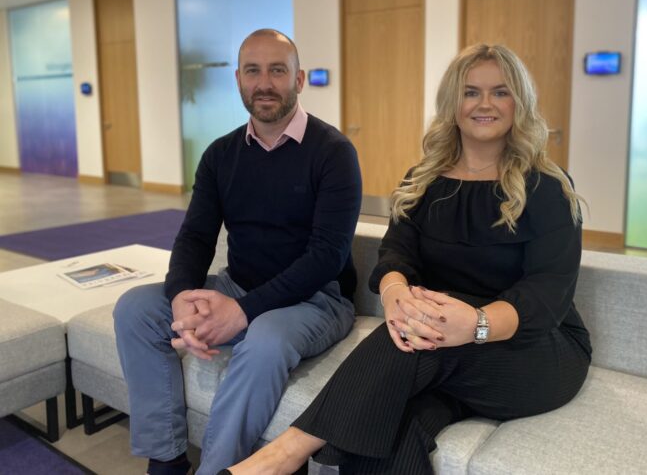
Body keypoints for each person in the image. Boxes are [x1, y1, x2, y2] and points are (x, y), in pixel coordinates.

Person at [225, 43, 592, 475]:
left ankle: (281, 456)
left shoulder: (548, 187)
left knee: (421, 336)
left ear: (520, 102)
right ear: (453, 103)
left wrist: (474, 323)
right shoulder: (423, 181)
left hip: (531, 350)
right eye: (471, 92)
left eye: (501, 92)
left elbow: (546, 296)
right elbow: (396, 252)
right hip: (441, 344)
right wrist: (396, 292)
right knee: (388, 427)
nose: (485, 104)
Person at [113, 28, 362, 475]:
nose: (264, 83)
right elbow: (195, 237)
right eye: (253, 71)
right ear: (239, 80)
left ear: (299, 79)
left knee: (265, 339)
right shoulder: (220, 154)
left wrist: (242, 312)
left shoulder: (334, 152)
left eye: (277, 70)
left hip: (317, 298)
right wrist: (181, 297)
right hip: (238, 284)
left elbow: (327, 255)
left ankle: (217, 470)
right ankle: (166, 460)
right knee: (135, 308)